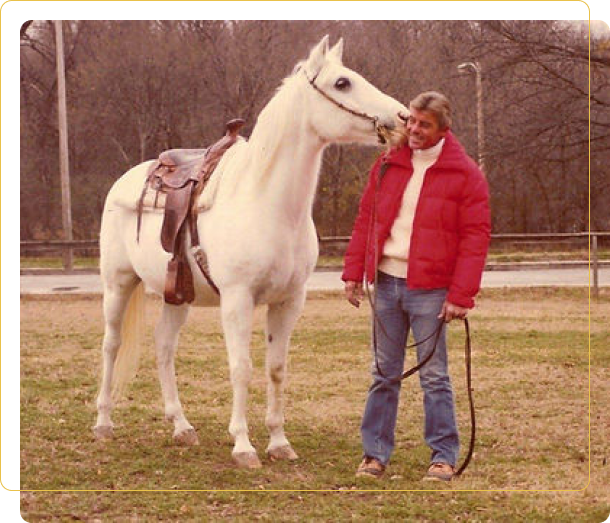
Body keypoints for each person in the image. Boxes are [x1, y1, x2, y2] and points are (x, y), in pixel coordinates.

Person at [342, 91, 491, 481]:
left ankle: (442, 456)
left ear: (443, 128)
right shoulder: (388, 164)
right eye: (411, 121)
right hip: (387, 285)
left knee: (434, 377)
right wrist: (353, 272)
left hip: (431, 291)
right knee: (383, 373)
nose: (413, 130)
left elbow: (476, 238)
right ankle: (374, 455)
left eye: (424, 124)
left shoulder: (465, 174)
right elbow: (365, 220)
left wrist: (461, 296)